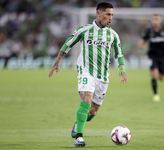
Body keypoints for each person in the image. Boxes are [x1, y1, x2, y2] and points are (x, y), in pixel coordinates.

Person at [48, 2, 127, 147]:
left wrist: (122, 69)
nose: (110, 18)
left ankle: (78, 122)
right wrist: (57, 62)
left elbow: (119, 53)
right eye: (108, 14)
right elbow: (68, 43)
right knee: (86, 101)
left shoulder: (113, 35)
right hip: (86, 72)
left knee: (93, 111)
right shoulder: (84, 30)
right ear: (99, 14)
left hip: (103, 77)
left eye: (112, 15)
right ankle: (79, 137)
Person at [138, 14, 164, 102]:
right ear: (151, 21)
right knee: (154, 74)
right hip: (152, 55)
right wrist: (144, 46)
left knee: (161, 78)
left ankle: (159, 72)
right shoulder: (148, 31)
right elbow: (141, 43)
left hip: (163, 56)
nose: (155, 21)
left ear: (160, 20)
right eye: (154, 19)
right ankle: (155, 95)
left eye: (157, 19)